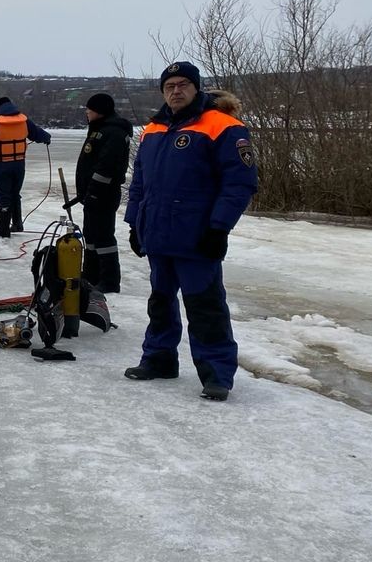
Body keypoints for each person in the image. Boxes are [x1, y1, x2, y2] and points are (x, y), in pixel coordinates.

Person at [123, 61, 258, 402]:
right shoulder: (153, 130)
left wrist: (219, 228)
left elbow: (239, 183)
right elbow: (139, 182)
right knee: (160, 302)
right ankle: (159, 358)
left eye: (183, 84)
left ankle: (216, 373)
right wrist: (134, 223)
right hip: (157, 234)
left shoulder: (223, 126)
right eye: (170, 86)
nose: (176, 90)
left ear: (197, 88)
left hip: (197, 236)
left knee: (205, 306)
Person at [63, 93, 133, 293]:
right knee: (91, 236)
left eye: (89, 109)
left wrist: (94, 191)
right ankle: (92, 275)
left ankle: (109, 280)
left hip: (103, 194)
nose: (86, 113)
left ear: (99, 111)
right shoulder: (100, 130)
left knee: (103, 238)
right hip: (92, 195)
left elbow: (107, 167)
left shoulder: (114, 132)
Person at [0, 96, 52, 238]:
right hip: (19, 164)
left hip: (2, 164)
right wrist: (46, 138)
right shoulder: (24, 120)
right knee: (15, 193)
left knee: (3, 195)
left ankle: (3, 228)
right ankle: (17, 224)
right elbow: (38, 134)